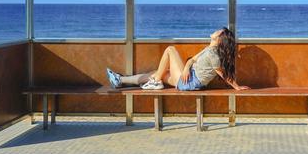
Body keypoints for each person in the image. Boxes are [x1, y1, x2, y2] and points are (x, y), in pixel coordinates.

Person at [106, 27, 249, 91]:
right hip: (187, 77)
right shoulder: (209, 49)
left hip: (189, 83)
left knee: (170, 49)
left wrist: (236, 87)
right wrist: (186, 67)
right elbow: (192, 60)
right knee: (157, 72)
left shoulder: (214, 55)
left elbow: (223, 74)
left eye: (219, 31)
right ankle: (121, 80)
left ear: (219, 39)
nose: (216, 30)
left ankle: (155, 83)